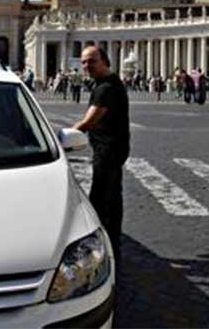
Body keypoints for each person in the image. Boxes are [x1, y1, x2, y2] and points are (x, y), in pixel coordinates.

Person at [72, 46, 130, 265]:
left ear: (105, 61)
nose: (86, 65)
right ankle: (114, 244)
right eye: (84, 62)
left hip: (107, 151)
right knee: (113, 200)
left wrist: (62, 139)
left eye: (92, 61)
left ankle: (97, 251)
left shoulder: (105, 89)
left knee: (98, 201)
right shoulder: (111, 83)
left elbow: (88, 122)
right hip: (115, 148)